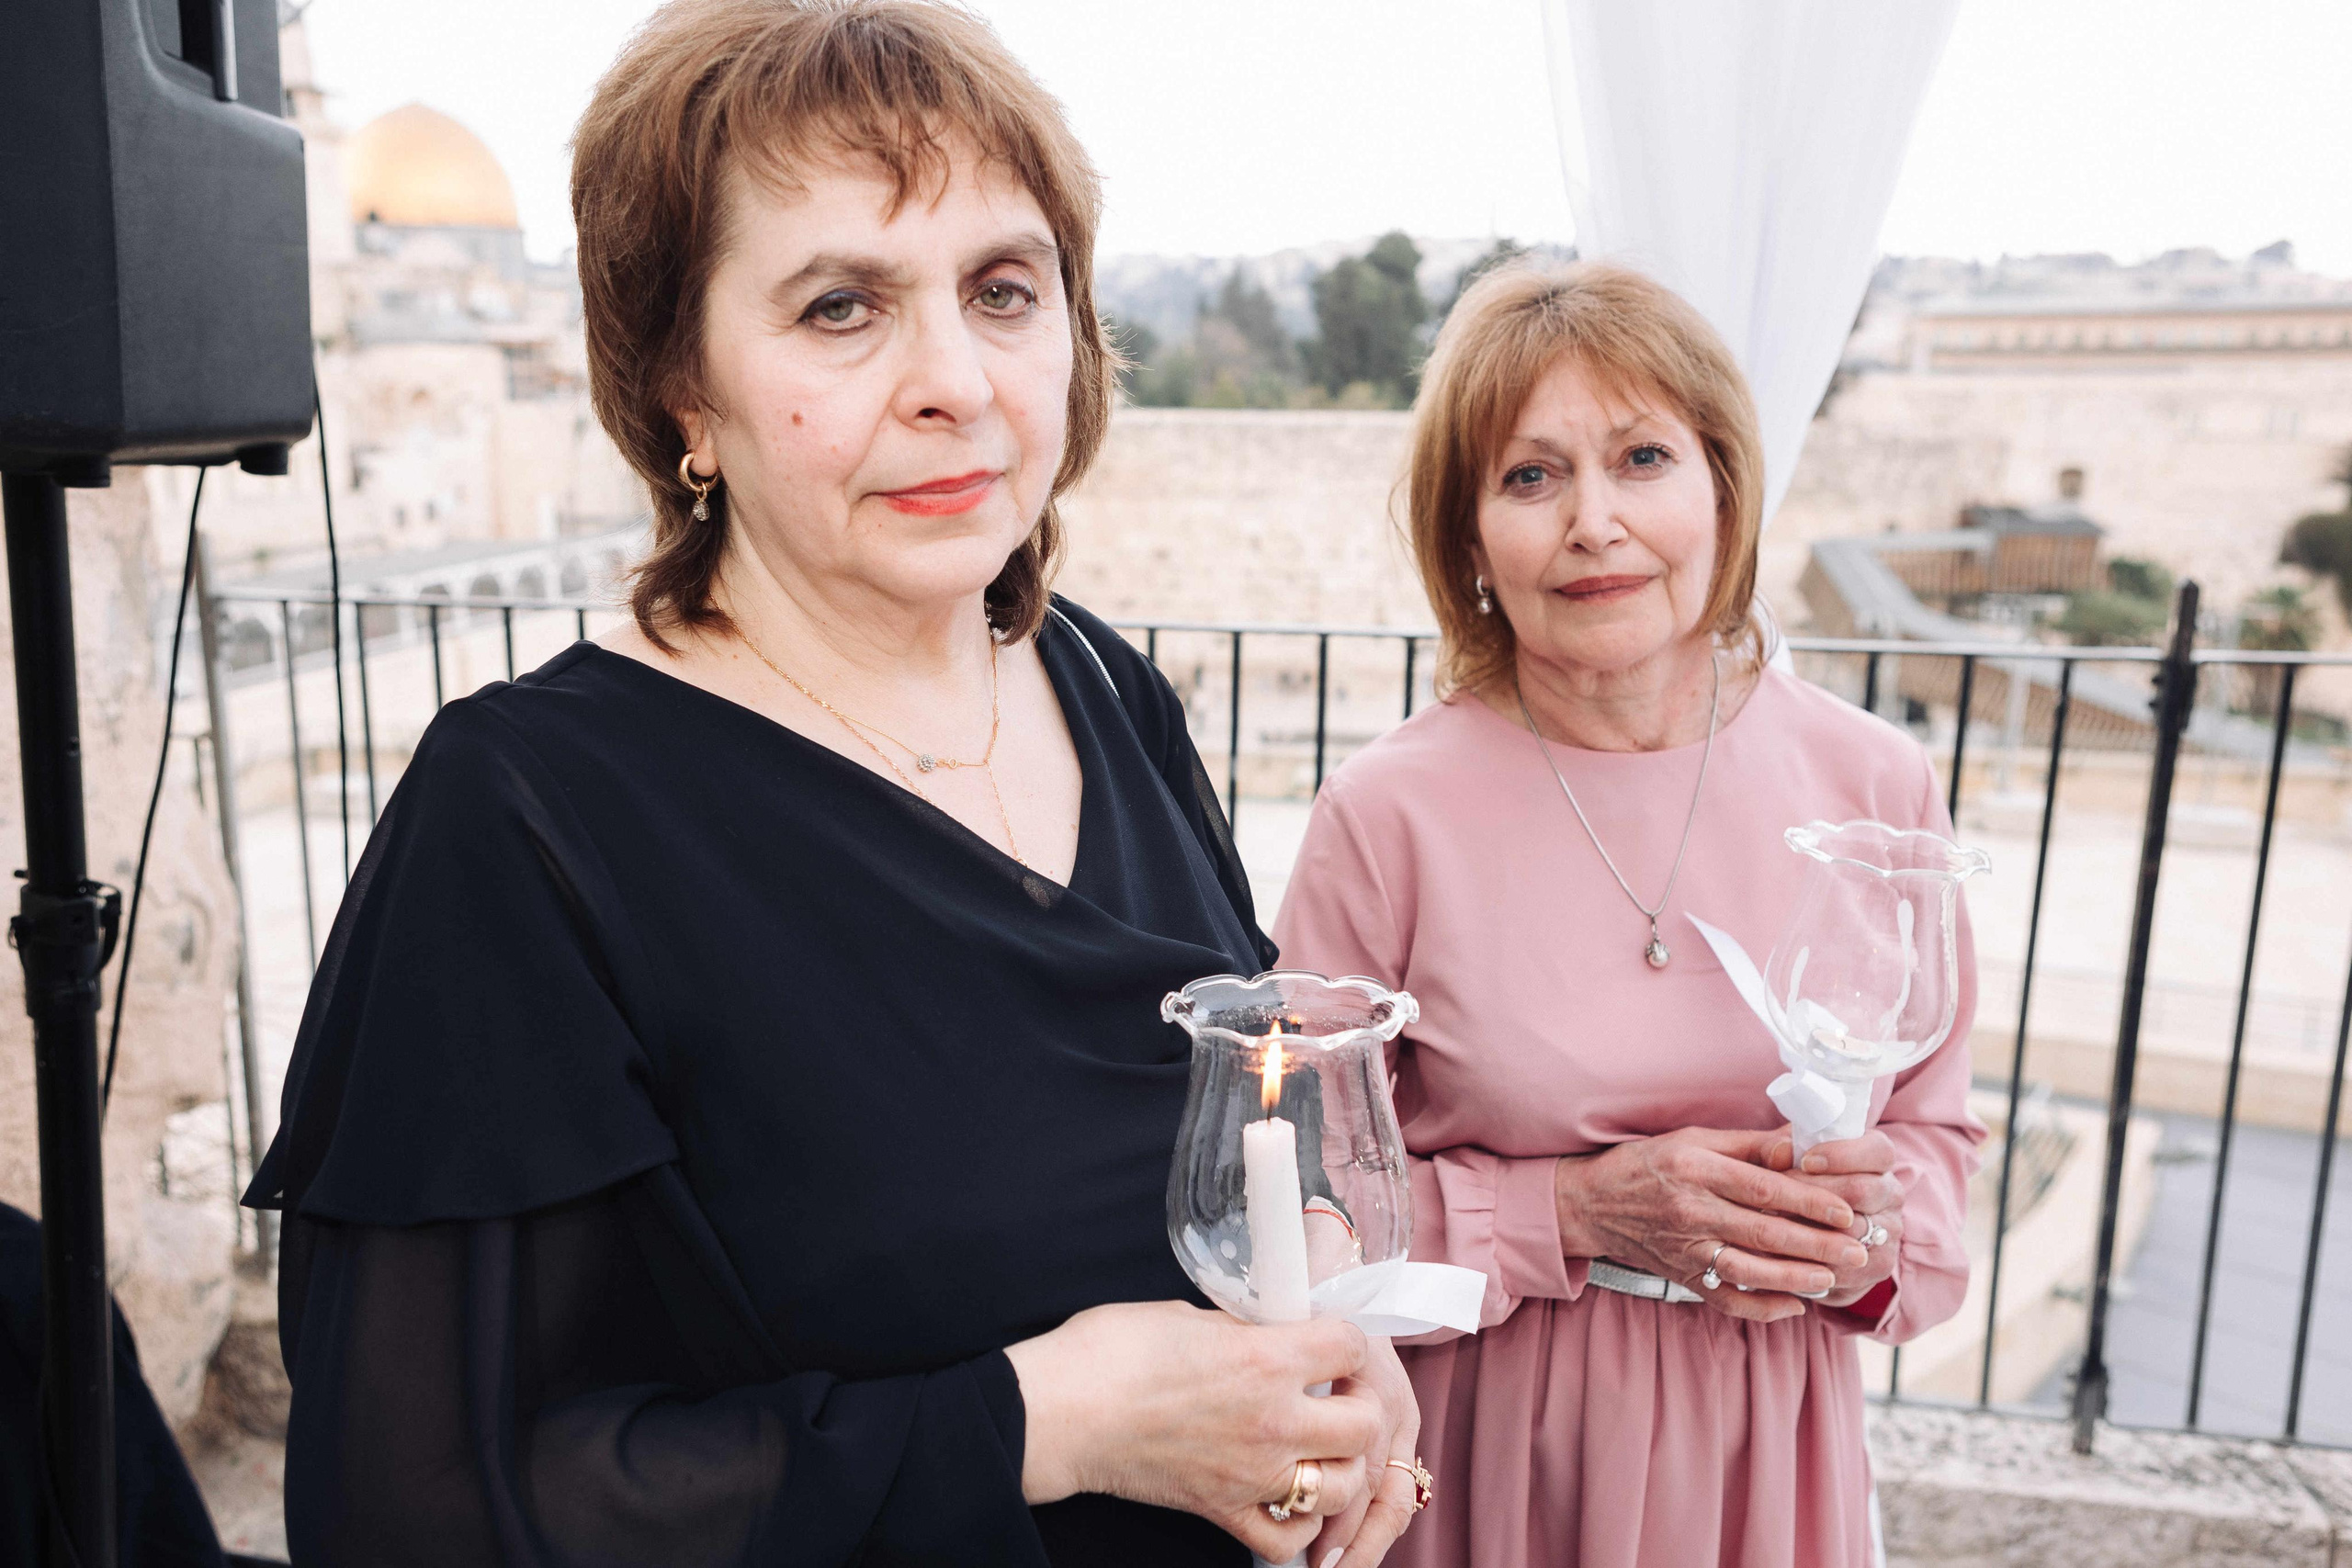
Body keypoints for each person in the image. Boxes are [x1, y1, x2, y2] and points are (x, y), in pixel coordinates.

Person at [243, 4, 1425, 1563]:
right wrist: (1047, 1423)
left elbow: (1239, 1132)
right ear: (684, 390)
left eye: (1003, 290)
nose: (957, 381)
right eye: (841, 307)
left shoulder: (1101, 686)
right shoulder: (528, 822)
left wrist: (1329, 1332)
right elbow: (424, 1505)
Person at [1272, 263, 1984, 1568]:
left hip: (1773, 1446)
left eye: (1643, 458)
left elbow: (1936, 1145)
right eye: (1530, 477)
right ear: (1470, 539)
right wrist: (1571, 1214)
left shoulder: (1875, 782)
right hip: (1494, 1447)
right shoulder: (1385, 816)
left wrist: (1865, 1242)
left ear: (1724, 488)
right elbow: (1293, 1209)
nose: (1594, 522)